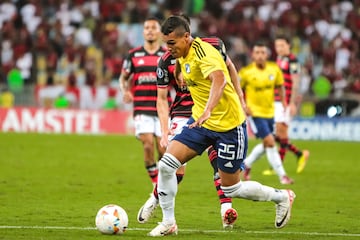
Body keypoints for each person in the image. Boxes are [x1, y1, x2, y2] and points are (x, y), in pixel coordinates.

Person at [148, 15, 296, 237]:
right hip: (200, 123)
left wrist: (210, 108)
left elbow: (219, 78)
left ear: (186, 37)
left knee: (231, 187)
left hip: (229, 127)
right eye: (165, 43)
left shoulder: (204, 53)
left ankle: (282, 197)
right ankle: (169, 223)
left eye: (171, 43)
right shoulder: (180, 54)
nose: (167, 49)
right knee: (167, 165)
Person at [137, 15, 246, 229]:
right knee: (175, 168)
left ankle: (226, 209)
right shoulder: (166, 60)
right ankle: (156, 200)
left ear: (186, 34)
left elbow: (229, 67)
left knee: (219, 160)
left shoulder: (212, 46)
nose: (171, 46)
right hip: (183, 112)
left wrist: (240, 96)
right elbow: (161, 98)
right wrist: (165, 129)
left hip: (212, 111)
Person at [119, 17, 169, 187]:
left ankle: (162, 183)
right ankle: (156, 185)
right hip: (141, 108)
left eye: (153, 27)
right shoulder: (133, 55)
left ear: (160, 32)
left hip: (163, 109)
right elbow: (123, 77)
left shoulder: (167, 55)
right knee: (148, 145)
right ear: (143, 31)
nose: (149, 30)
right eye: (146, 27)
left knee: (163, 150)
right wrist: (125, 91)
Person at [238, 42, 294, 185]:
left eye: (263, 53)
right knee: (270, 142)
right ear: (253, 55)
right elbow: (236, 90)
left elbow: (280, 86)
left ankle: (245, 165)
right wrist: (243, 105)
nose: (260, 56)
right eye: (257, 53)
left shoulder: (274, 69)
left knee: (267, 142)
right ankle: (283, 176)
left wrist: (284, 102)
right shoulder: (246, 72)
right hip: (255, 113)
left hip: (271, 112)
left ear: (267, 55)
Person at [262, 35, 309, 175]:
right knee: (278, 134)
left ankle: (280, 165)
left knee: (280, 133)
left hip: (286, 102)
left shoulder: (293, 61)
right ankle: (299, 154)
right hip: (277, 100)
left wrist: (292, 103)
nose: (279, 49)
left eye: (282, 45)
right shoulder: (279, 59)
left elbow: (295, 82)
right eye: (277, 46)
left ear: (289, 46)